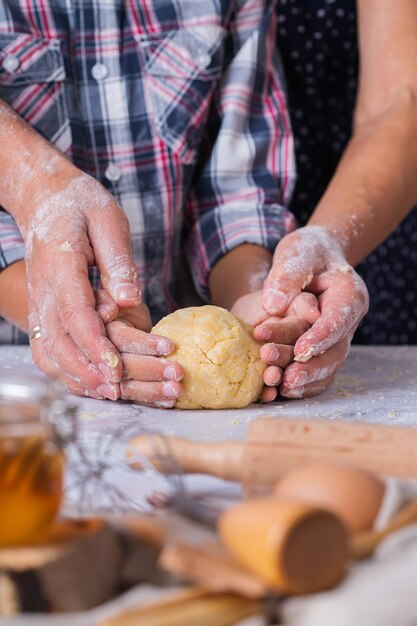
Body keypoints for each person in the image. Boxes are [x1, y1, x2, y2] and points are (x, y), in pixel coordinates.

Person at [0, 0, 322, 405]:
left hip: (172, 366)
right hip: (18, 383)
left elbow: (234, 192)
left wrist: (257, 304)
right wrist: (54, 312)